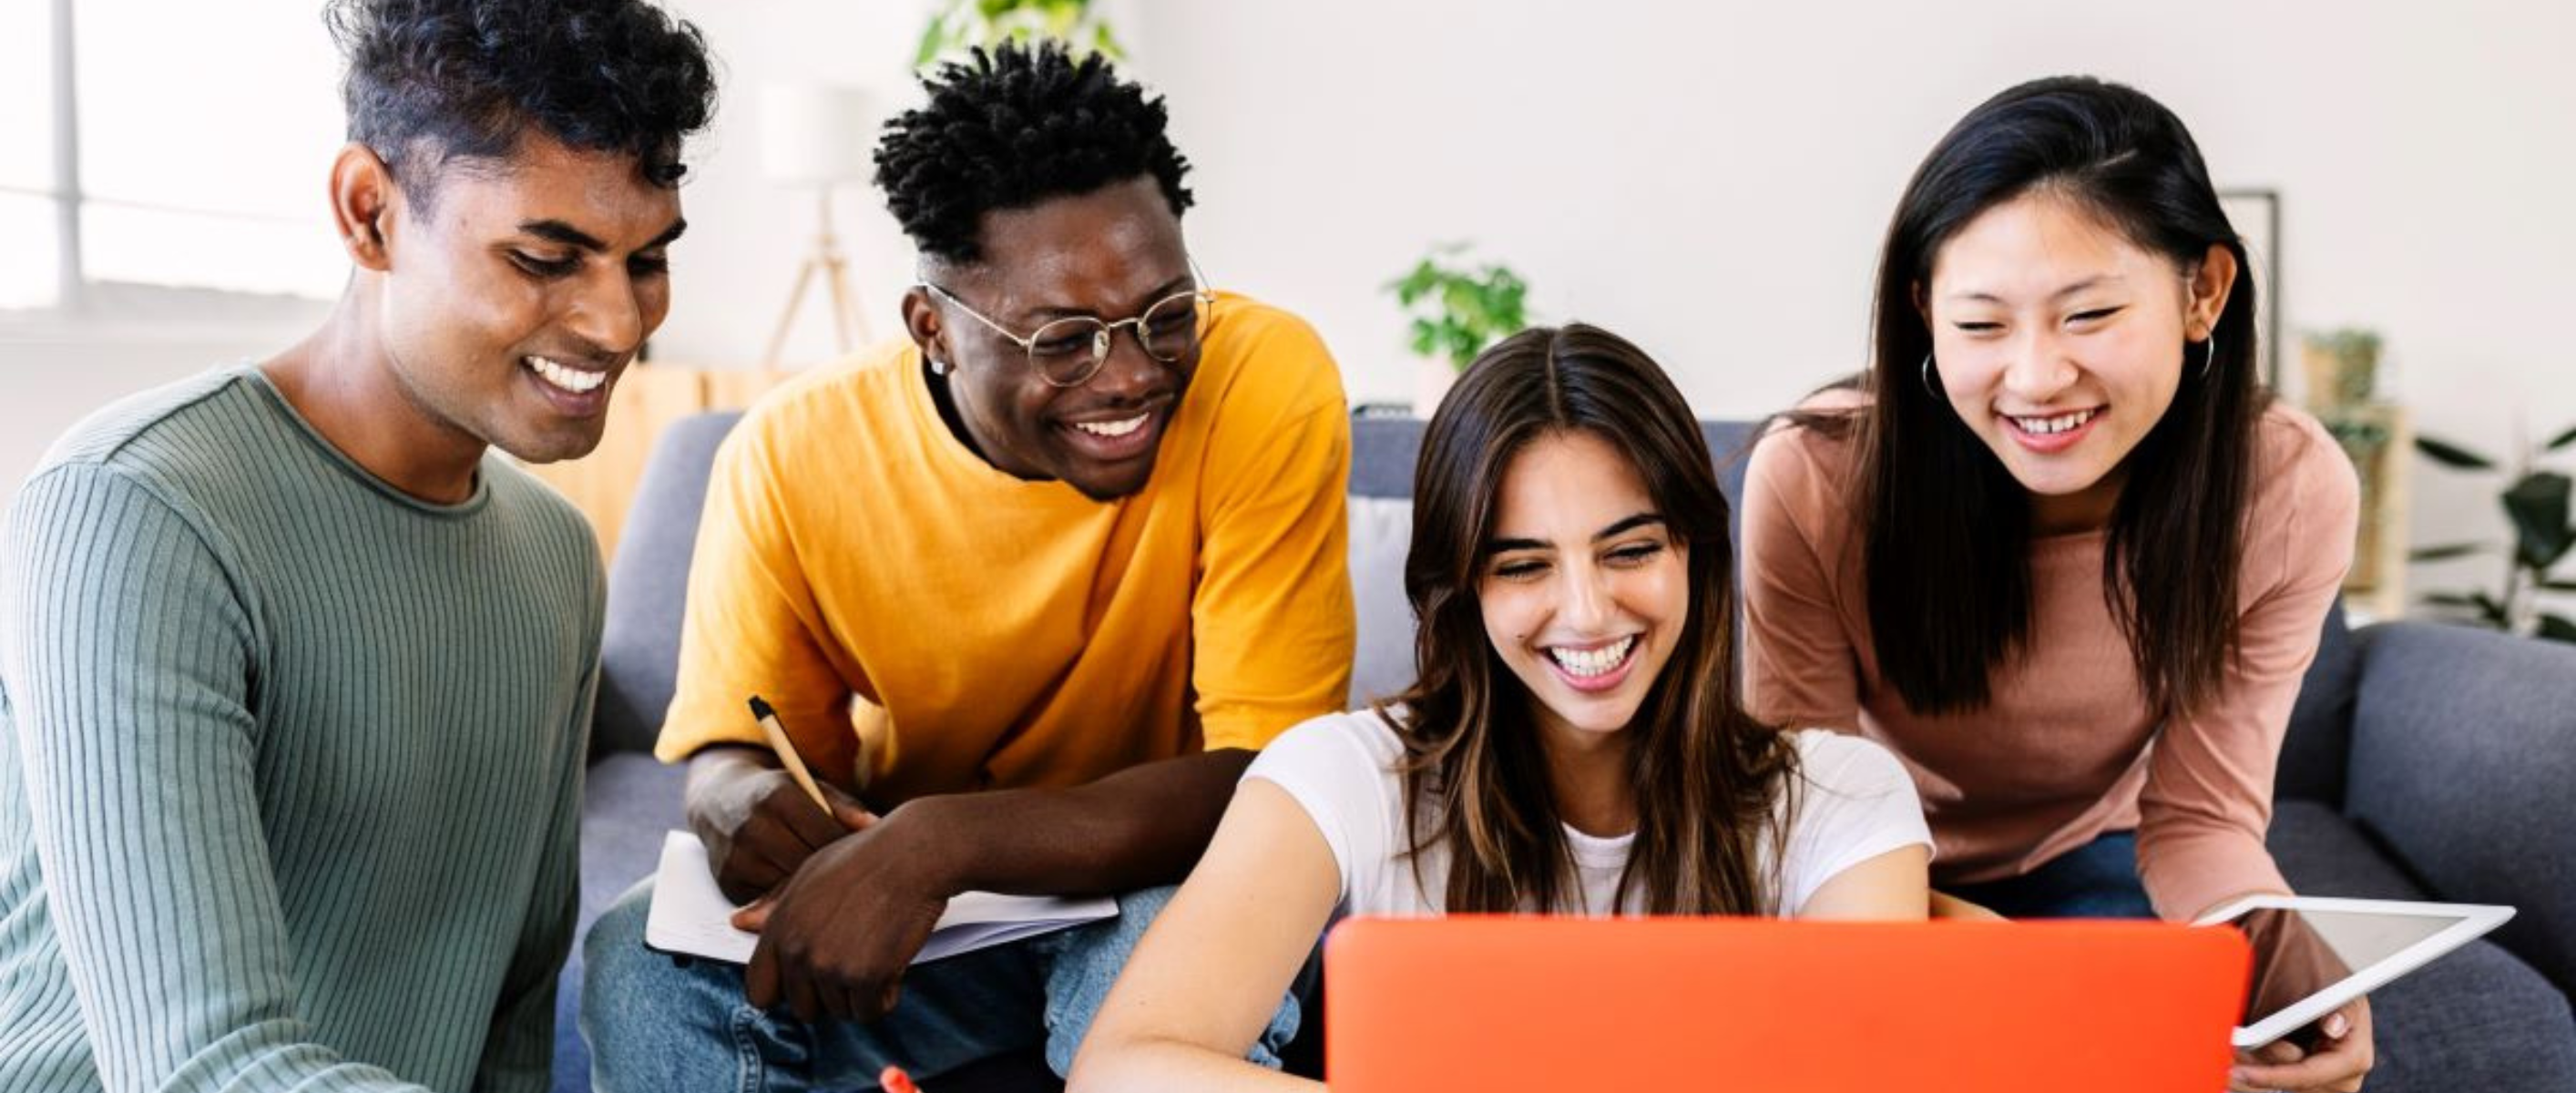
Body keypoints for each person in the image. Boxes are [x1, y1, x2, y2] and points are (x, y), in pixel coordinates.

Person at [579, 43, 1355, 1090]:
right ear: (932, 329)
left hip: (1155, 873)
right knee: (640, 960)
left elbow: (1272, 784)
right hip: (922, 930)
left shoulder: (1262, 377)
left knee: (1158, 957)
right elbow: (734, 752)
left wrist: (945, 840)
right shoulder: (789, 456)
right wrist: (731, 804)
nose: (1129, 373)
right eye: (1063, 339)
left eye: (1165, 316)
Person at [0, 0, 715, 1088]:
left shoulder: (554, 555)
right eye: (545, 257)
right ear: (369, 212)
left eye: (646, 260)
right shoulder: (137, 507)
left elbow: (511, 1026)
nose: (618, 324)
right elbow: (201, 1068)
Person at [1069, 324, 1933, 1091]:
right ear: (1464, 589)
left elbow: (1875, 1074)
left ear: (1696, 558)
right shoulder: (1342, 776)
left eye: (1629, 550)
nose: (1588, 612)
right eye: (1524, 566)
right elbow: (1125, 1067)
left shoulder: (1839, 796)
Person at [1736, 77, 2370, 1092]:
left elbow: (2201, 818)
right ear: (1922, 314)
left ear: (2202, 291)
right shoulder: (1815, 481)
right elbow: (1796, 804)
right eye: (1981, 326)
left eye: (2088, 315)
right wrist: (1974, 944)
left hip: (2099, 857)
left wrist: (2293, 981)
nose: (2033, 379)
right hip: (1867, 864)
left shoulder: (2285, 488)